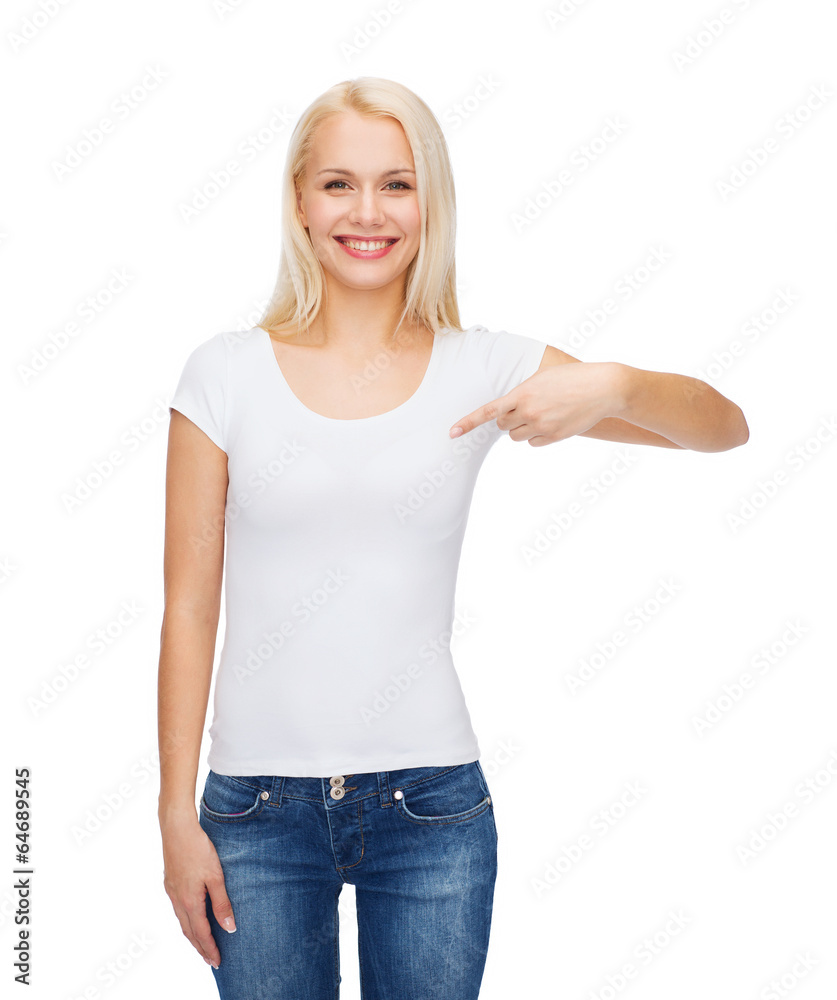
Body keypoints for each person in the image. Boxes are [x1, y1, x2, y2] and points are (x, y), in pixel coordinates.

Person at [157, 77, 749, 1000]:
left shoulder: (485, 366)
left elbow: (724, 429)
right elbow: (188, 608)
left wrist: (615, 385)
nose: (367, 212)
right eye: (338, 184)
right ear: (300, 202)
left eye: (397, 184)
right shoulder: (223, 374)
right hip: (254, 813)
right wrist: (173, 814)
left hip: (428, 809)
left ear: (431, 201)